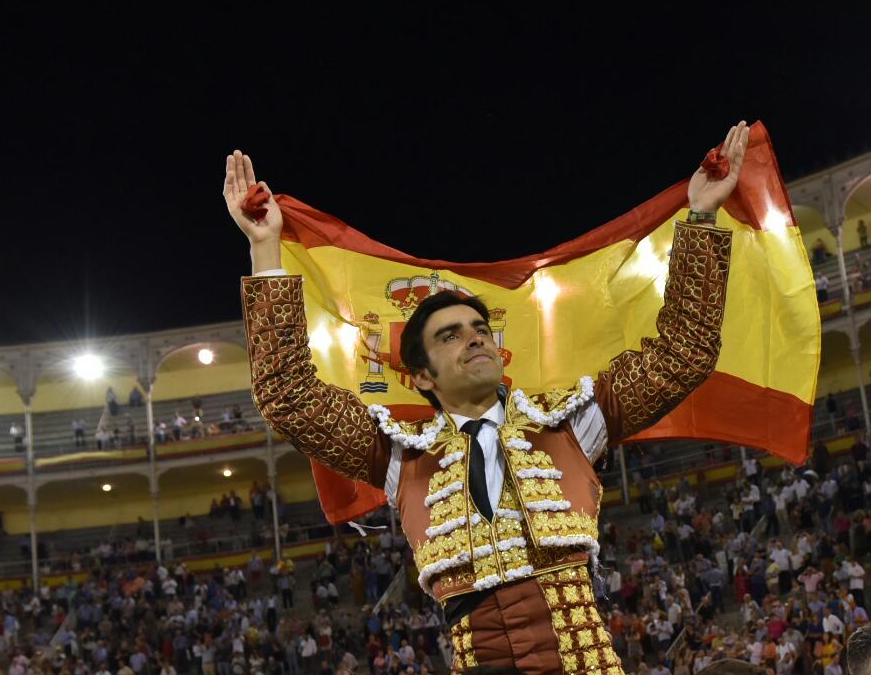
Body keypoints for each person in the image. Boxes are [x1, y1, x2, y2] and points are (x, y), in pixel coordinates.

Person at [225, 123, 750, 673]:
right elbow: (287, 395)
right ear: (422, 377)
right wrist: (265, 248)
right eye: (450, 336)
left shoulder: (570, 422)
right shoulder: (401, 454)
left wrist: (701, 215)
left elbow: (683, 353)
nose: (475, 338)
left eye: (480, 329)